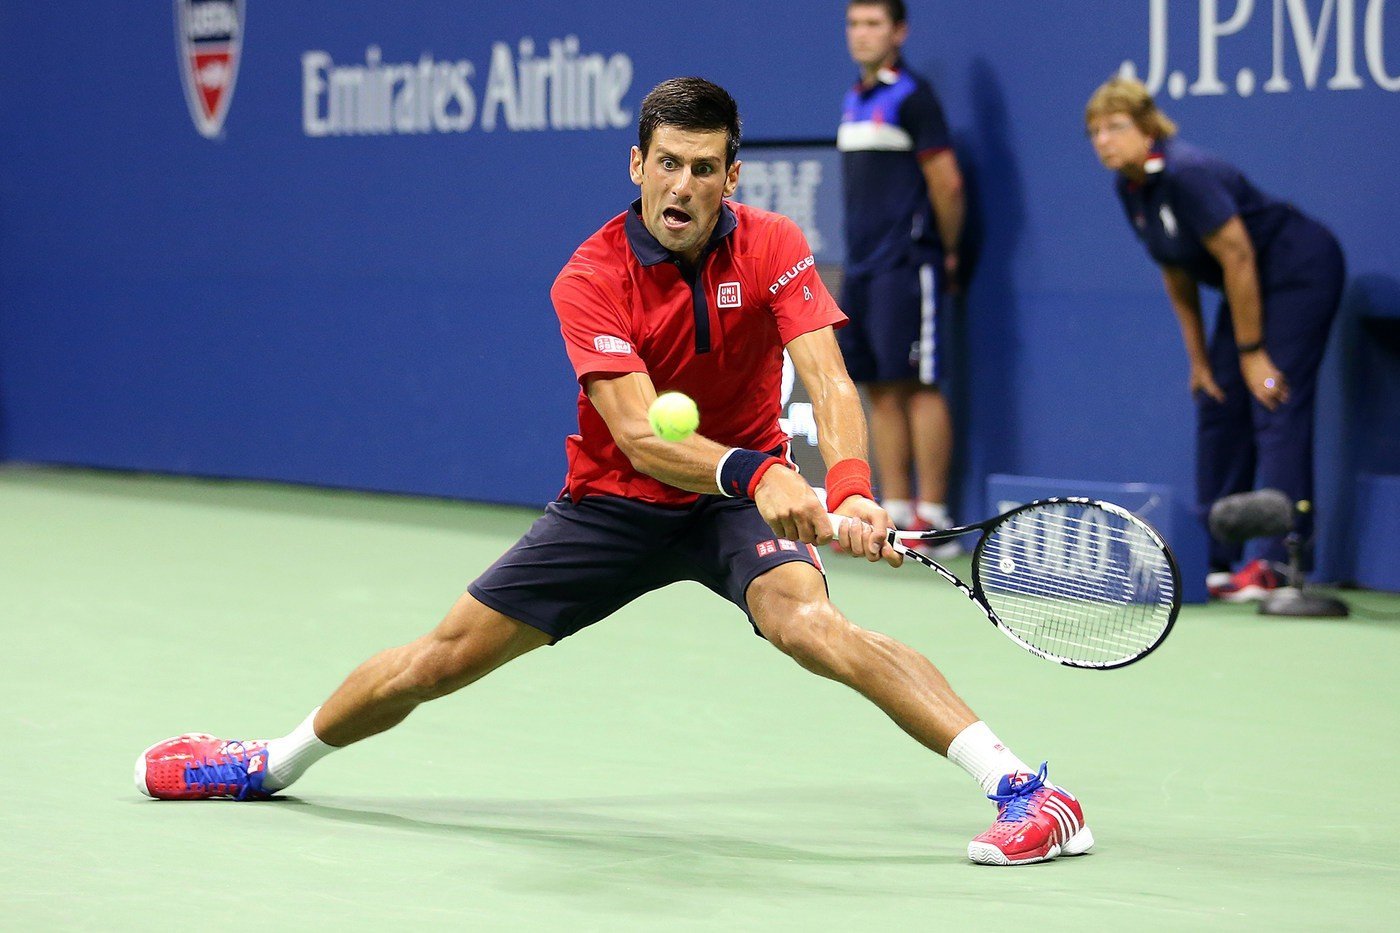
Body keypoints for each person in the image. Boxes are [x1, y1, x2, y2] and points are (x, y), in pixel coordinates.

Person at [135, 77, 1091, 866]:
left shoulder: (772, 247)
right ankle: (269, 761)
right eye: (665, 164)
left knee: (811, 622)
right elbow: (638, 434)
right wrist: (763, 472)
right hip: (618, 503)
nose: (682, 186)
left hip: (727, 514)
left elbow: (829, 378)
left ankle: (1030, 792)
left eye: (703, 168)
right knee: (443, 657)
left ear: (731, 176)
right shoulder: (589, 276)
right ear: (637, 166)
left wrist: (847, 485)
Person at [1085, 76, 1345, 601]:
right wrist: (1201, 359)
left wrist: (1252, 354)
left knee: (1273, 396)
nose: (1104, 141)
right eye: (1094, 132)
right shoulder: (1131, 186)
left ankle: (1277, 563)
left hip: (1297, 271)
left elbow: (1239, 255)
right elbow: (1176, 273)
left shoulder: (1188, 173)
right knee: (1218, 401)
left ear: (1147, 127)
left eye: (1115, 127)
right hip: (1247, 285)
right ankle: (1216, 559)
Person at [837, 0, 966, 553]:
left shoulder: (914, 97)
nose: (861, 35)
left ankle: (931, 513)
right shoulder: (854, 98)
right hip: (863, 267)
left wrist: (948, 250)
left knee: (919, 384)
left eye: (873, 24)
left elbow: (948, 184)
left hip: (909, 263)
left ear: (899, 32)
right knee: (880, 387)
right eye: (854, 24)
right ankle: (891, 510)